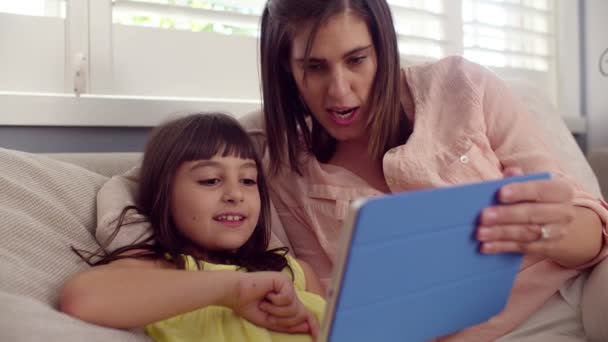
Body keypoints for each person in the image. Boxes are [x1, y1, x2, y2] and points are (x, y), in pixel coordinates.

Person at [96, 1, 608, 341]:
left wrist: (550, 229)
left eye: (357, 60)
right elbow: (147, 186)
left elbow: (592, 231)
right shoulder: (268, 164)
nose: (339, 93)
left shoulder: (461, 87)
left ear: (383, 50)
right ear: (286, 70)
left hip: (571, 299)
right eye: (314, 68)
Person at [60, 113, 325, 342]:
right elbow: (82, 298)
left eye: (247, 180)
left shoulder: (298, 272)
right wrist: (233, 289)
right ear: (162, 195)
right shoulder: (163, 271)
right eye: (210, 180)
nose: (235, 194)